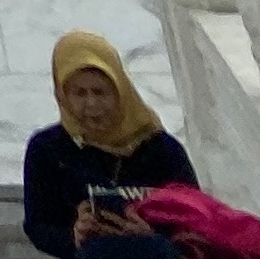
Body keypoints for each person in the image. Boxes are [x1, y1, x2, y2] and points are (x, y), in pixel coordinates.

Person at [24, 34, 194, 256]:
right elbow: (39, 224)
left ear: (120, 91)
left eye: (100, 92)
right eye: (80, 93)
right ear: (63, 96)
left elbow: (196, 217)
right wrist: (74, 236)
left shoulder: (161, 149)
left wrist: (151, 233)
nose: (91, 104)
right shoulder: (48, 150)